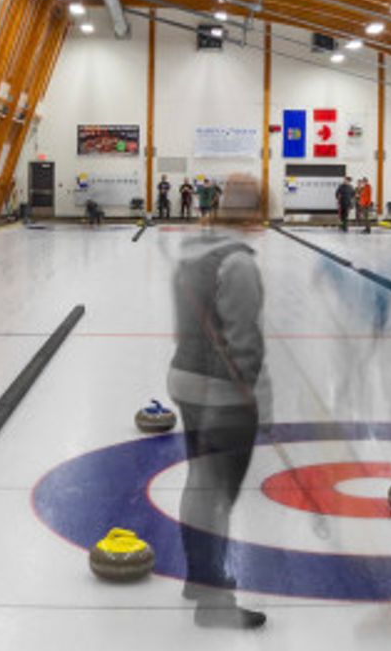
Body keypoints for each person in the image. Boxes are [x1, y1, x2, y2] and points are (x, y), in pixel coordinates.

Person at [167, 231, 269, 630]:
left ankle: (199, 578)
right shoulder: (238, 263)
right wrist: (248, 396)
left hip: (184, 378)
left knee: (200, 480)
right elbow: (245, 340)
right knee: (218, 496)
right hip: (220, 389)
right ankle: (214, 601)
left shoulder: (190, 257)